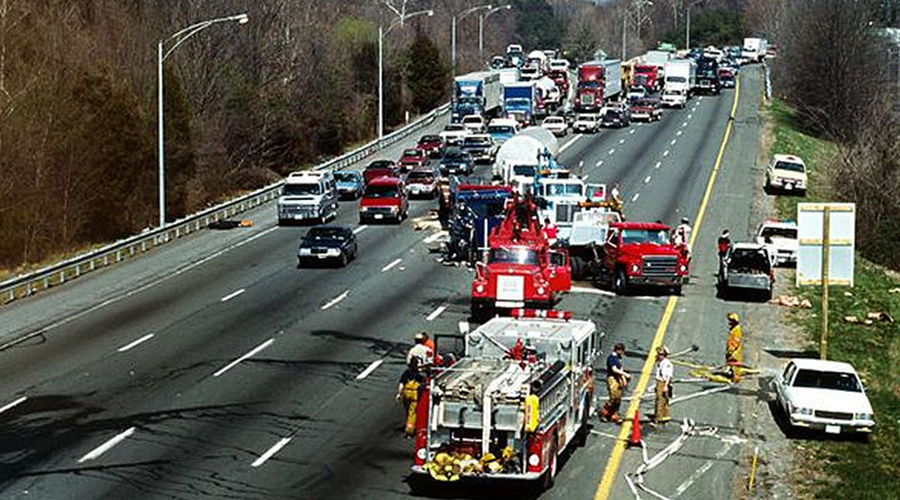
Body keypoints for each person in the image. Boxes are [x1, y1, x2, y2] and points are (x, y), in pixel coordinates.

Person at [600, 343, 631, 423]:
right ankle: (605, 412)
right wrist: (625, 374)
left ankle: (614, 414)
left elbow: (620, 368)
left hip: (618, 379)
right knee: (613, 397)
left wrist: (623, 379)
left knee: (618, 398)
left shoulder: (617, 358)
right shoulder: (612, 358)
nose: (623, 354)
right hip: (612, 379)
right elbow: (614, 369)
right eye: (622, 351)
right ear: (618, 350)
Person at [397, 357, 426, 437]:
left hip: (406, 393)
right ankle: (409, 431)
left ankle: (407, 425)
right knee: (412, 412)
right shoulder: (419, 375)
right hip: (414, 394)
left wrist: (399, 394)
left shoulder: (406, 373)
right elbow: (423, 384)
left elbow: (402, 383)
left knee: (407, 411)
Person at [653, 346, 674, 425]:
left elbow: (668, 376)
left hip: (663, 382)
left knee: (661, 400)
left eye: (661, 354)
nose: (659, 355)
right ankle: (664, 416)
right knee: (662, 399)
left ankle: (659, 417)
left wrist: (665, 385)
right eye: (658, 354)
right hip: (660, 382)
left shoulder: (667, 364)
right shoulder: (661, 362)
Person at [725, 312, 743, 383]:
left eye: (731, 321)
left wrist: (731, 350)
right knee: (731, 363)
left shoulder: (736, 330)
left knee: (735, 364)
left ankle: (736, 378)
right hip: (732, 350)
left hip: (734, 352)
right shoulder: (733, 329)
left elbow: (735, 341)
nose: (729, 322)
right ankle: (731, 374)